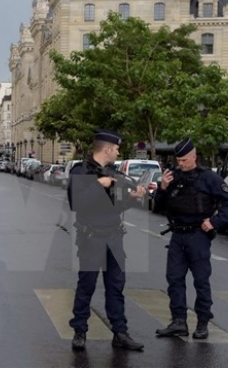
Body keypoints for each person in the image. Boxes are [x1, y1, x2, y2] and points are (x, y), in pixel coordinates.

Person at [67, 129, 147, 351]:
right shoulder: (80, 171)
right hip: (91, 238)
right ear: (107, 149)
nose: (118, 151)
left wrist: (132, 198)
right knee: (87, 286)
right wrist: (98, 185)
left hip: (114, 237)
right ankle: (80, 331)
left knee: (116, 287)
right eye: (117, 148)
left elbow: (118, 204)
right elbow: (76, 203)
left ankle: (120, 333)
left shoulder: (114, 173)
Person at [154, 138, 228, 339]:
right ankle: (178, 322)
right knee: (174, 279)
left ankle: (202, 323)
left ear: (194, 156)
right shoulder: (172, 177)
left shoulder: (209, 178)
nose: (181, 164)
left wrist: (215, 222)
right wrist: (163, 188)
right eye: (178, 161)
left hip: (198, 237)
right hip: (177, 236)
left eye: (184, 160)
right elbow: (158, 207)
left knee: (201, 281)